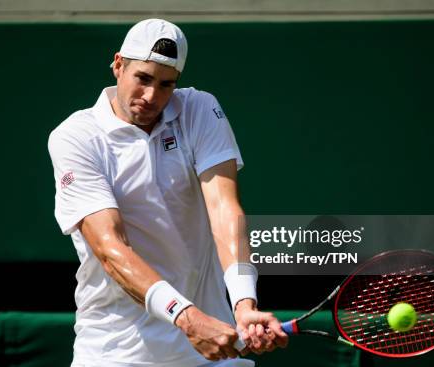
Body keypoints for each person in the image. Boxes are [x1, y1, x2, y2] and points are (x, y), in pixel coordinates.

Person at [48, 18, 288, 367]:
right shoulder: (76, 137)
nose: (151, 96)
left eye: (166, 85)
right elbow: (110, 249)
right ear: (118, 65)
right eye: (142, 79)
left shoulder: (199, 109)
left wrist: (244, 303)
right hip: (114, 354)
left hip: (213, 353)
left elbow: (223, 208)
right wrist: (187, 318)